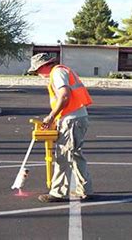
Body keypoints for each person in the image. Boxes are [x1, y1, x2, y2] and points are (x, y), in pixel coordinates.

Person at [28, 53, 94, 203]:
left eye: (37, 71)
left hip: (72, 119)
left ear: (44, 66)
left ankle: (58, 192)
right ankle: (85, 189)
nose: (38, 75)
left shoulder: (57, 73)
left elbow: (64, 96)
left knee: (63, 156)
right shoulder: (61, 71)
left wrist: (51, 116)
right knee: (75, 155)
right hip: (76, 117)